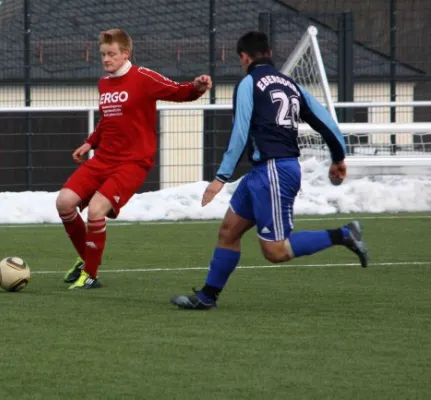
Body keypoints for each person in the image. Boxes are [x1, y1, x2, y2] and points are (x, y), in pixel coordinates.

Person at [170, 31, 368, 310]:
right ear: (269, 54)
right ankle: (207, 297)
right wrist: (338, 158)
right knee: (229, 231)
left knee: (275, 251)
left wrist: (220, 178)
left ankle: (344, 234)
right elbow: (327, 123)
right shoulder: (291, 84)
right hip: (264, 172)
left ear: (244, 57)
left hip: (275, 171)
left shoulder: (249, 83)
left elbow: (239, 133)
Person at [56, 29, 212, 289]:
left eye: (112, 54)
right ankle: (87, 260)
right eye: (103, 54)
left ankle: (90, 276)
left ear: (125, 53)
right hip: (104, 158)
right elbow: (108, 120)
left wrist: (196, 87)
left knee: (96, 210)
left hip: (132, 163)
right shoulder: (104, 83)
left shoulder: (143, 77)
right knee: (64, 202)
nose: (106, 59)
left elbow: (178, 91)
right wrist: (90, 142)